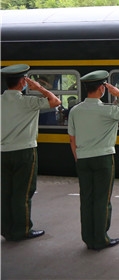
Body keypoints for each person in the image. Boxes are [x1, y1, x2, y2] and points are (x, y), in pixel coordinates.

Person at [68, 70, 119, 250]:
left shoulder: (75, 111)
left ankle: (88, 238)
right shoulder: (108, 110)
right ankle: (101, 238)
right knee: (102, 199)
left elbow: (72, 139)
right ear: (102, 88)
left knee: (86, 199)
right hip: (103, 159)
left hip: (83, 158)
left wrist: (78, 158)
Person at [1, 64, 61, 241]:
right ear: (22, 82)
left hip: (2, 152)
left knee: (5, 192)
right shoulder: (28, 101)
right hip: (24, 152)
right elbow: (55, 102)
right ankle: (23, 229)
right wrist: (39, 88)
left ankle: (6, 230)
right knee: (23, 192)